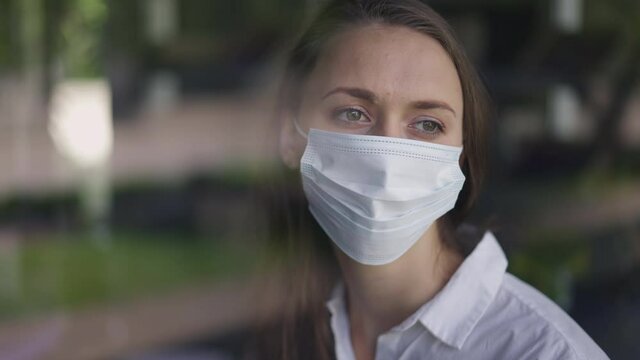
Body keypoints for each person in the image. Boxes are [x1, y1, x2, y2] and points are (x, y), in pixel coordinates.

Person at [264, 0, 610, 359]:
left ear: (459, 155)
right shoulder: (285, 329)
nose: (387, 155)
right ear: (289, 137)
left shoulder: (544, 352)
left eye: (428, 124)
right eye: (353, 113)